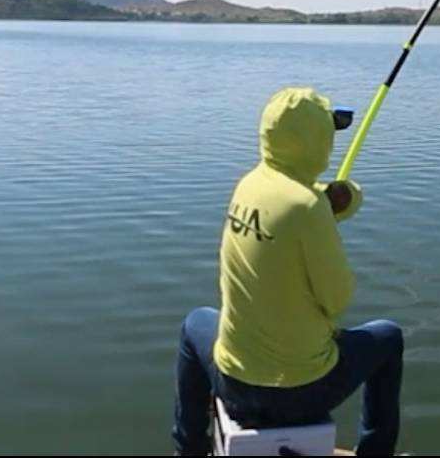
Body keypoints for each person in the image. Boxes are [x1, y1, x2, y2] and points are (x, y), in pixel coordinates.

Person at [172, 86, 404, 456]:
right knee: (389, 338)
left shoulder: (249, 186)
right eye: (328, 131)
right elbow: (337, 300)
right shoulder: (308, 208)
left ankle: (189, 448)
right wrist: (322, 216)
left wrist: (338, 200)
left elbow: (310, 204)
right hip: (299, 393)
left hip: (233, 382)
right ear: (314, 140)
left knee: (194, 323)